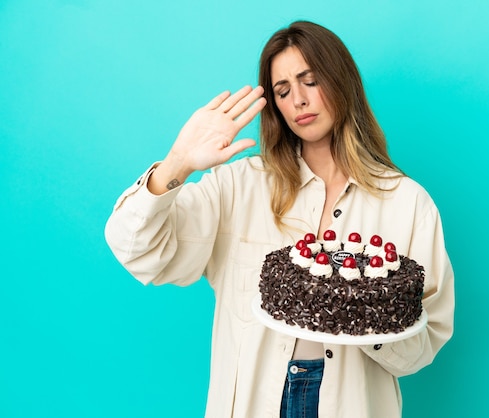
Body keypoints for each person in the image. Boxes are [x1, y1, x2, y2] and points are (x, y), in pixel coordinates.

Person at [105, 20, 454, 418]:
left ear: (342, 81)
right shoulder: (238, 187)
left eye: (310, 81)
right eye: (283, 91)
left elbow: (424, 344)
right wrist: (178, 164)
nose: (298, 101)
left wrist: (365, 318)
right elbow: (138, 250)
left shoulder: (407, 204)